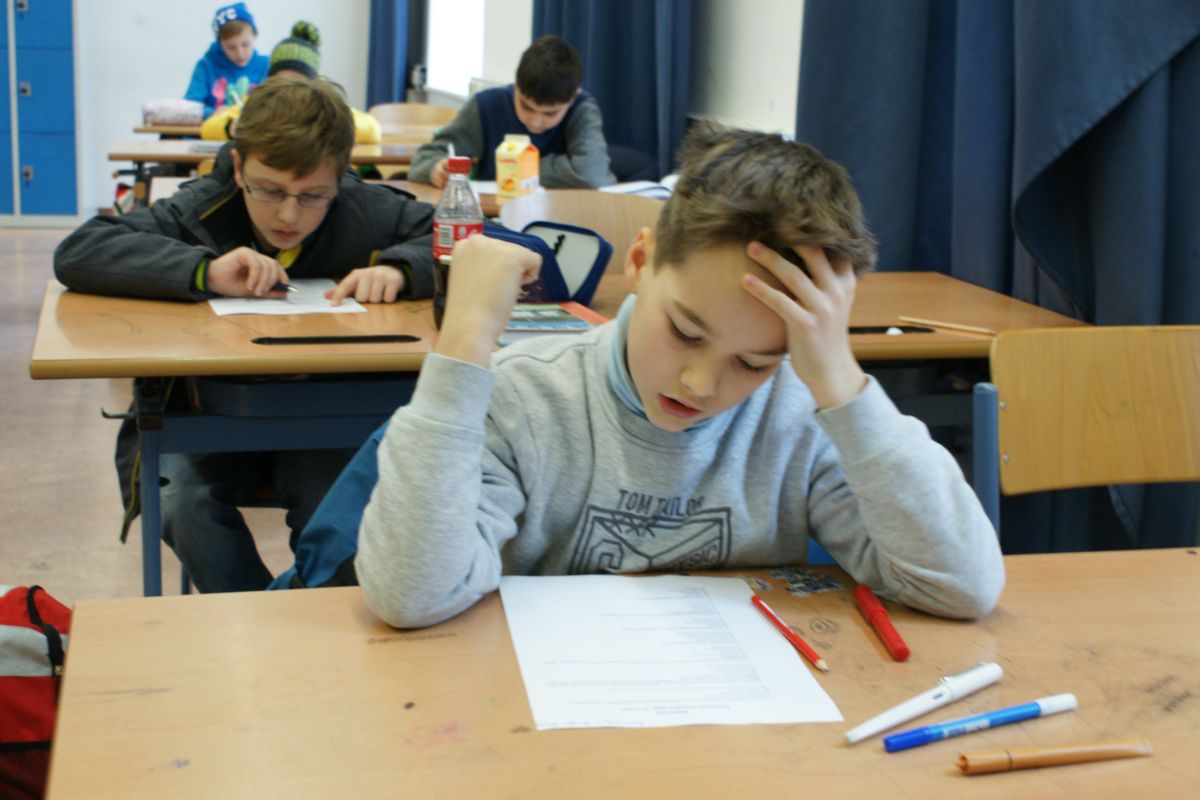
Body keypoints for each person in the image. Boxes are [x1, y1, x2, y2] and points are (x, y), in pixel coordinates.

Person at [354, 123, 1006, 629]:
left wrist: (840, 380)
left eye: (753, 362)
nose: (699, 383)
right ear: (641, 261)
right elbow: (412, 595)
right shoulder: (524, 395)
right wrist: (465, 343)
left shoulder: (804, 412)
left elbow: (962, 586)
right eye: (685, 332)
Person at [54, 77, 436, 593]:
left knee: (342, 521)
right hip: (209, 415)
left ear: (340, 178)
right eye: (269, 190)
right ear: (237, 167)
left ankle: (312, 618)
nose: (288, 214)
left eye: (313, 196)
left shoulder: (364, 208)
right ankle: (261, 619)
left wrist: (401, 267)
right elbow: (79, 251)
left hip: (323, 417)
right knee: (179, 502)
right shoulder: (203, 209)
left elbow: (468, 237)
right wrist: (204, 271)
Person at [409, 35, 615, 189]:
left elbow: (592, 174)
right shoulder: (486, 105)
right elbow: (423, 160)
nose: (535, 122)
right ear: (516, 84)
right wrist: (435, 169)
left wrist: (515, 167)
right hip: (495, 217)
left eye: (550, 114)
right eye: (526, 106)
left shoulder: (582, 109)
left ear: (574, 96)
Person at [201, 21, 382, 144]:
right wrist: (230, 127)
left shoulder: (326, 105)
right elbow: (208, 129)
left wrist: (326, 125)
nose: (289, 88)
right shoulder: (262, 102)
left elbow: (373, 130)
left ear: (314, 84)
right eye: (280, 80)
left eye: (298, 82)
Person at [185, 3, 270, 118]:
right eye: (231, 47)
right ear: (221, 44)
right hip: (215, 127)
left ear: (255, 36)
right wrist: (211, 113)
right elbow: (190, 106)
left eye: (245, 45)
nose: (240, 53)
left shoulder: (266, 65)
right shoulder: (206, 66)